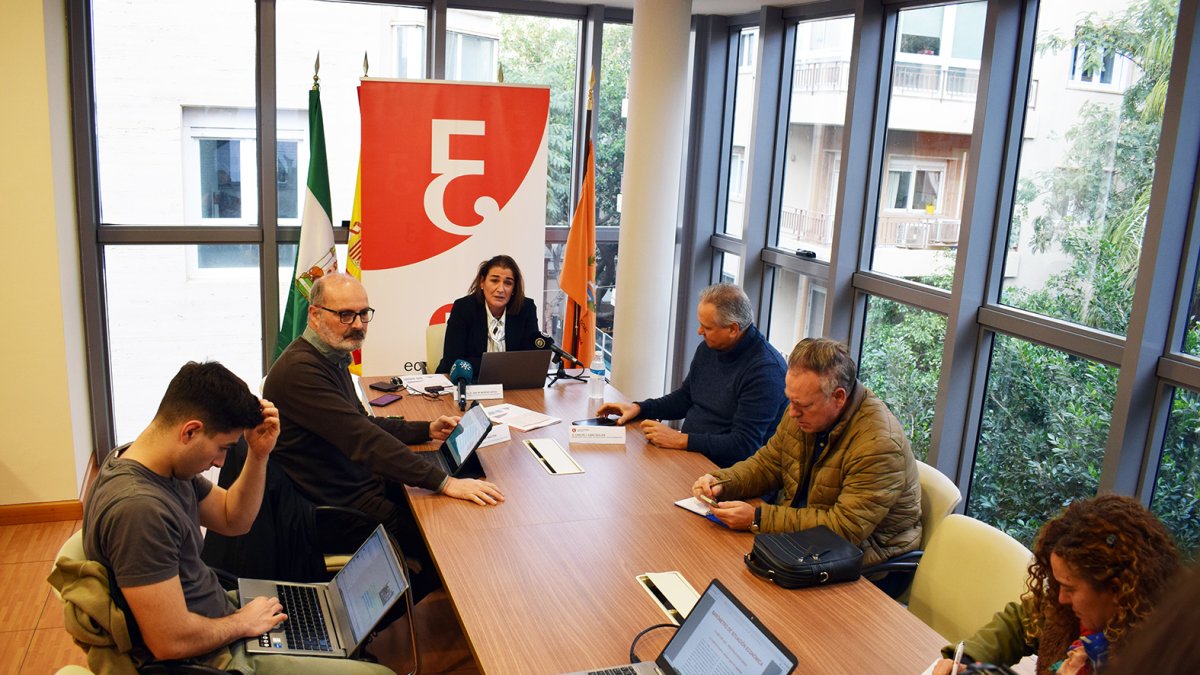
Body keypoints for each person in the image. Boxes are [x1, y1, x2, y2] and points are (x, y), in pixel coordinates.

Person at [82, 361, 392, 673]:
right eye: (221, 448)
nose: (218, 463)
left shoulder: (152, 461)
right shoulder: (140, 510)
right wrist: (241, 623)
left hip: (221, 616)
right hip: (211, 657)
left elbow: (233, 518)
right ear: (190, 431)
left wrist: (258, 456)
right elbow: (169, 642)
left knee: (328, 623)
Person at [264, 273, 504, 602]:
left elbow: (362, 423)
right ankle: (384, 616)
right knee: (449, 543)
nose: (358, 324)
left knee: (446, 506)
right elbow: (364, 441)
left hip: (353, 486)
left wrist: (425, 430)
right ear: (315, 315)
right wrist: (445, 483)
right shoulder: (301, 372)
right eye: (345, 315)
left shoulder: (327, 356)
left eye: (364, 314)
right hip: (339, 509)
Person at [692, 337, 922, 572]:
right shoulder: (805, 411)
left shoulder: (879, 445)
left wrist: (758, 518)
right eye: (790, 400)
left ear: (839, 397)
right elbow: (769, 463)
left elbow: (843, 529)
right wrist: (723, 481)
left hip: (866, 562)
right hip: (803, 541)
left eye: (803, 405)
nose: (792, 413)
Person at [930, 495, 1182, 675]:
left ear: (1116, 589)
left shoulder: (1158, 657)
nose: (1061, 598)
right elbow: (1020, 621)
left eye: (1070, 589)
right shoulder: (1067, 613)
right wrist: (966, 659)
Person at [597, 284, 788, 468]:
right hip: (692, 458)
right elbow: (686, 397)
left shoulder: (765, 371)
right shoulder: (711, 347)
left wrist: (681, 440)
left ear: (733, 329)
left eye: (707, 327)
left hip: (728, 474)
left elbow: (743, 445)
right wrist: (640, 408)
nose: (699, 331)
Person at [435, 254, 540, 374]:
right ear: (482, 282)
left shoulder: (526, 308)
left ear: (514, 289)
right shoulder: (463, 308)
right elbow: (453, 361)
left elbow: (532, 358)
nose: (500, 289)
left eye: (508, 283)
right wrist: (502, 366)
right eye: (494, 280)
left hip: (511, 383)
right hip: (467, 380)